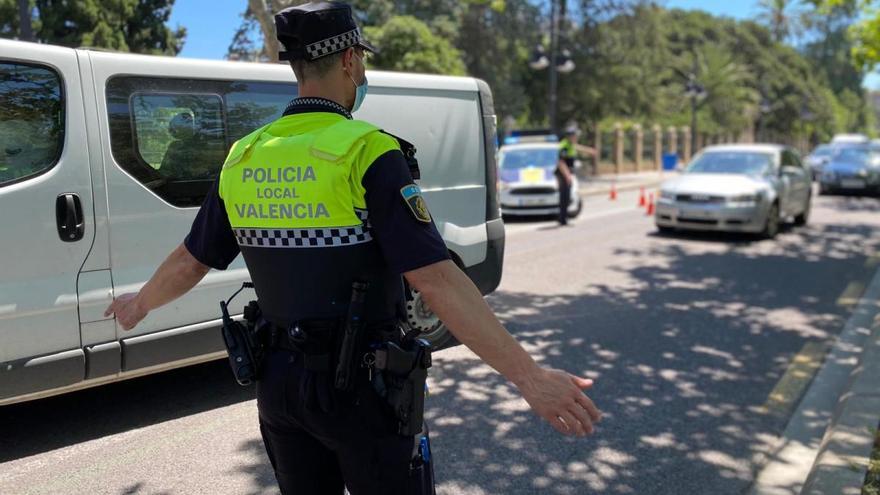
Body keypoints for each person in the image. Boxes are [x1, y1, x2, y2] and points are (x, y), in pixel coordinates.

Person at [104, 2, 602, 494]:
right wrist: (529, 377)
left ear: (298, 68)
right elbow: (436, 279)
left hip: (277, 385)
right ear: (348, 60)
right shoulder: (369, 151)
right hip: (365, 388)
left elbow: (192, 259)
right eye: (361, 59)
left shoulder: (244, 156)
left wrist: (138, 304)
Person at [556, 126, 579, 226]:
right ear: (570, 136)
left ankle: (564, 218)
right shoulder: (564, 146)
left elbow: (578, 147)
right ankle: (562, 219)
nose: (576, 137)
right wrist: (567, 175)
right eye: (575, 135)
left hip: (567, 174)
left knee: (566, 196)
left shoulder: (569, 144)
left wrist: (590, 151)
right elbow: (561, 162)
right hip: (563, 174)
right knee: (564, 196)